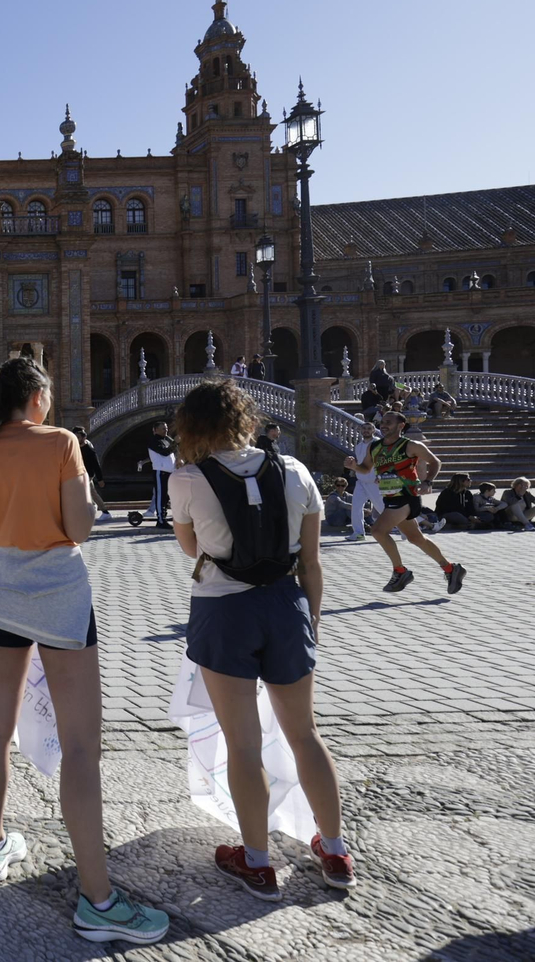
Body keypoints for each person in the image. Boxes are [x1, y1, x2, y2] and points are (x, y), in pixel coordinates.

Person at [0, 360, 169, 943]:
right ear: (36, 396)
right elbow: (78, 528)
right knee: (80, 746)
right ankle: (97, 898)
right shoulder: (61, 444)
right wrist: (88, 503)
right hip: (59, 598)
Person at [168, 377, 355, 901]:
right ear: (246, 419)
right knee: (305, 733)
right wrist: (310, 620)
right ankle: (335, 848)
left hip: (223, 611)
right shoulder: (294, 471)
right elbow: (312, 562)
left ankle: (256, 862)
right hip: (285, 605)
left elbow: (191, 549)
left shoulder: (186, 480)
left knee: (243, 744)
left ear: (192, 427)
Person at [347, 411, 466, 594]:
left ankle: (400, 571)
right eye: (382, 422)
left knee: (378, 530)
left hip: (406, 497)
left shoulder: (410, 446)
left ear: (401, 426)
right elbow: (365, 468)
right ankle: (451, 569)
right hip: (390, 497)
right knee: (416, 538)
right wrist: (354, 466)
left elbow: (435, 462)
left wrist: (428, 481)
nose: (383, 425)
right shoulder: (375, 447)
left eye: (388, 422)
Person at [348, 420, 381, 541]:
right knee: (356, 507)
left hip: (374, 481)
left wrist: (380, 475)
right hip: (360, 481)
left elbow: (381, 460)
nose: (366, 431)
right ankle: (358, 533)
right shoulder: (359, 445)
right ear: (361, 431)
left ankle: (404, 530)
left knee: (383, 508)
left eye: (369, 428)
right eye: (364, 428)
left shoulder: (377, 443)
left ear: (373, 430)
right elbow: (361, 462)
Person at [72, 426, 113, 521]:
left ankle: (103, 511)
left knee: (87, 493)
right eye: (75, 437)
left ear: (83, 438)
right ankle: (99, 510)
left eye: (78, 437)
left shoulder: (89, 449)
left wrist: (100, 479)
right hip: (79, 474)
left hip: (87, 475)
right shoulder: (75, 447)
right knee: (90, 493)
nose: (76, 439)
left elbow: (96, 464)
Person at [146, 422, 177, 528]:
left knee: (166, 497)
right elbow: (165, 452)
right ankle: (160, 520)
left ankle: (163, 517)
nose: (166, 430)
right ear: (155, 430)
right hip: (160, 471)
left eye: (166, 428)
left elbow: (173, 451)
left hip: (169, 472)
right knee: (161, 496)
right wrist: (175, 443)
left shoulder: (167, 439)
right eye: (163, 428)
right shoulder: (154, 441)